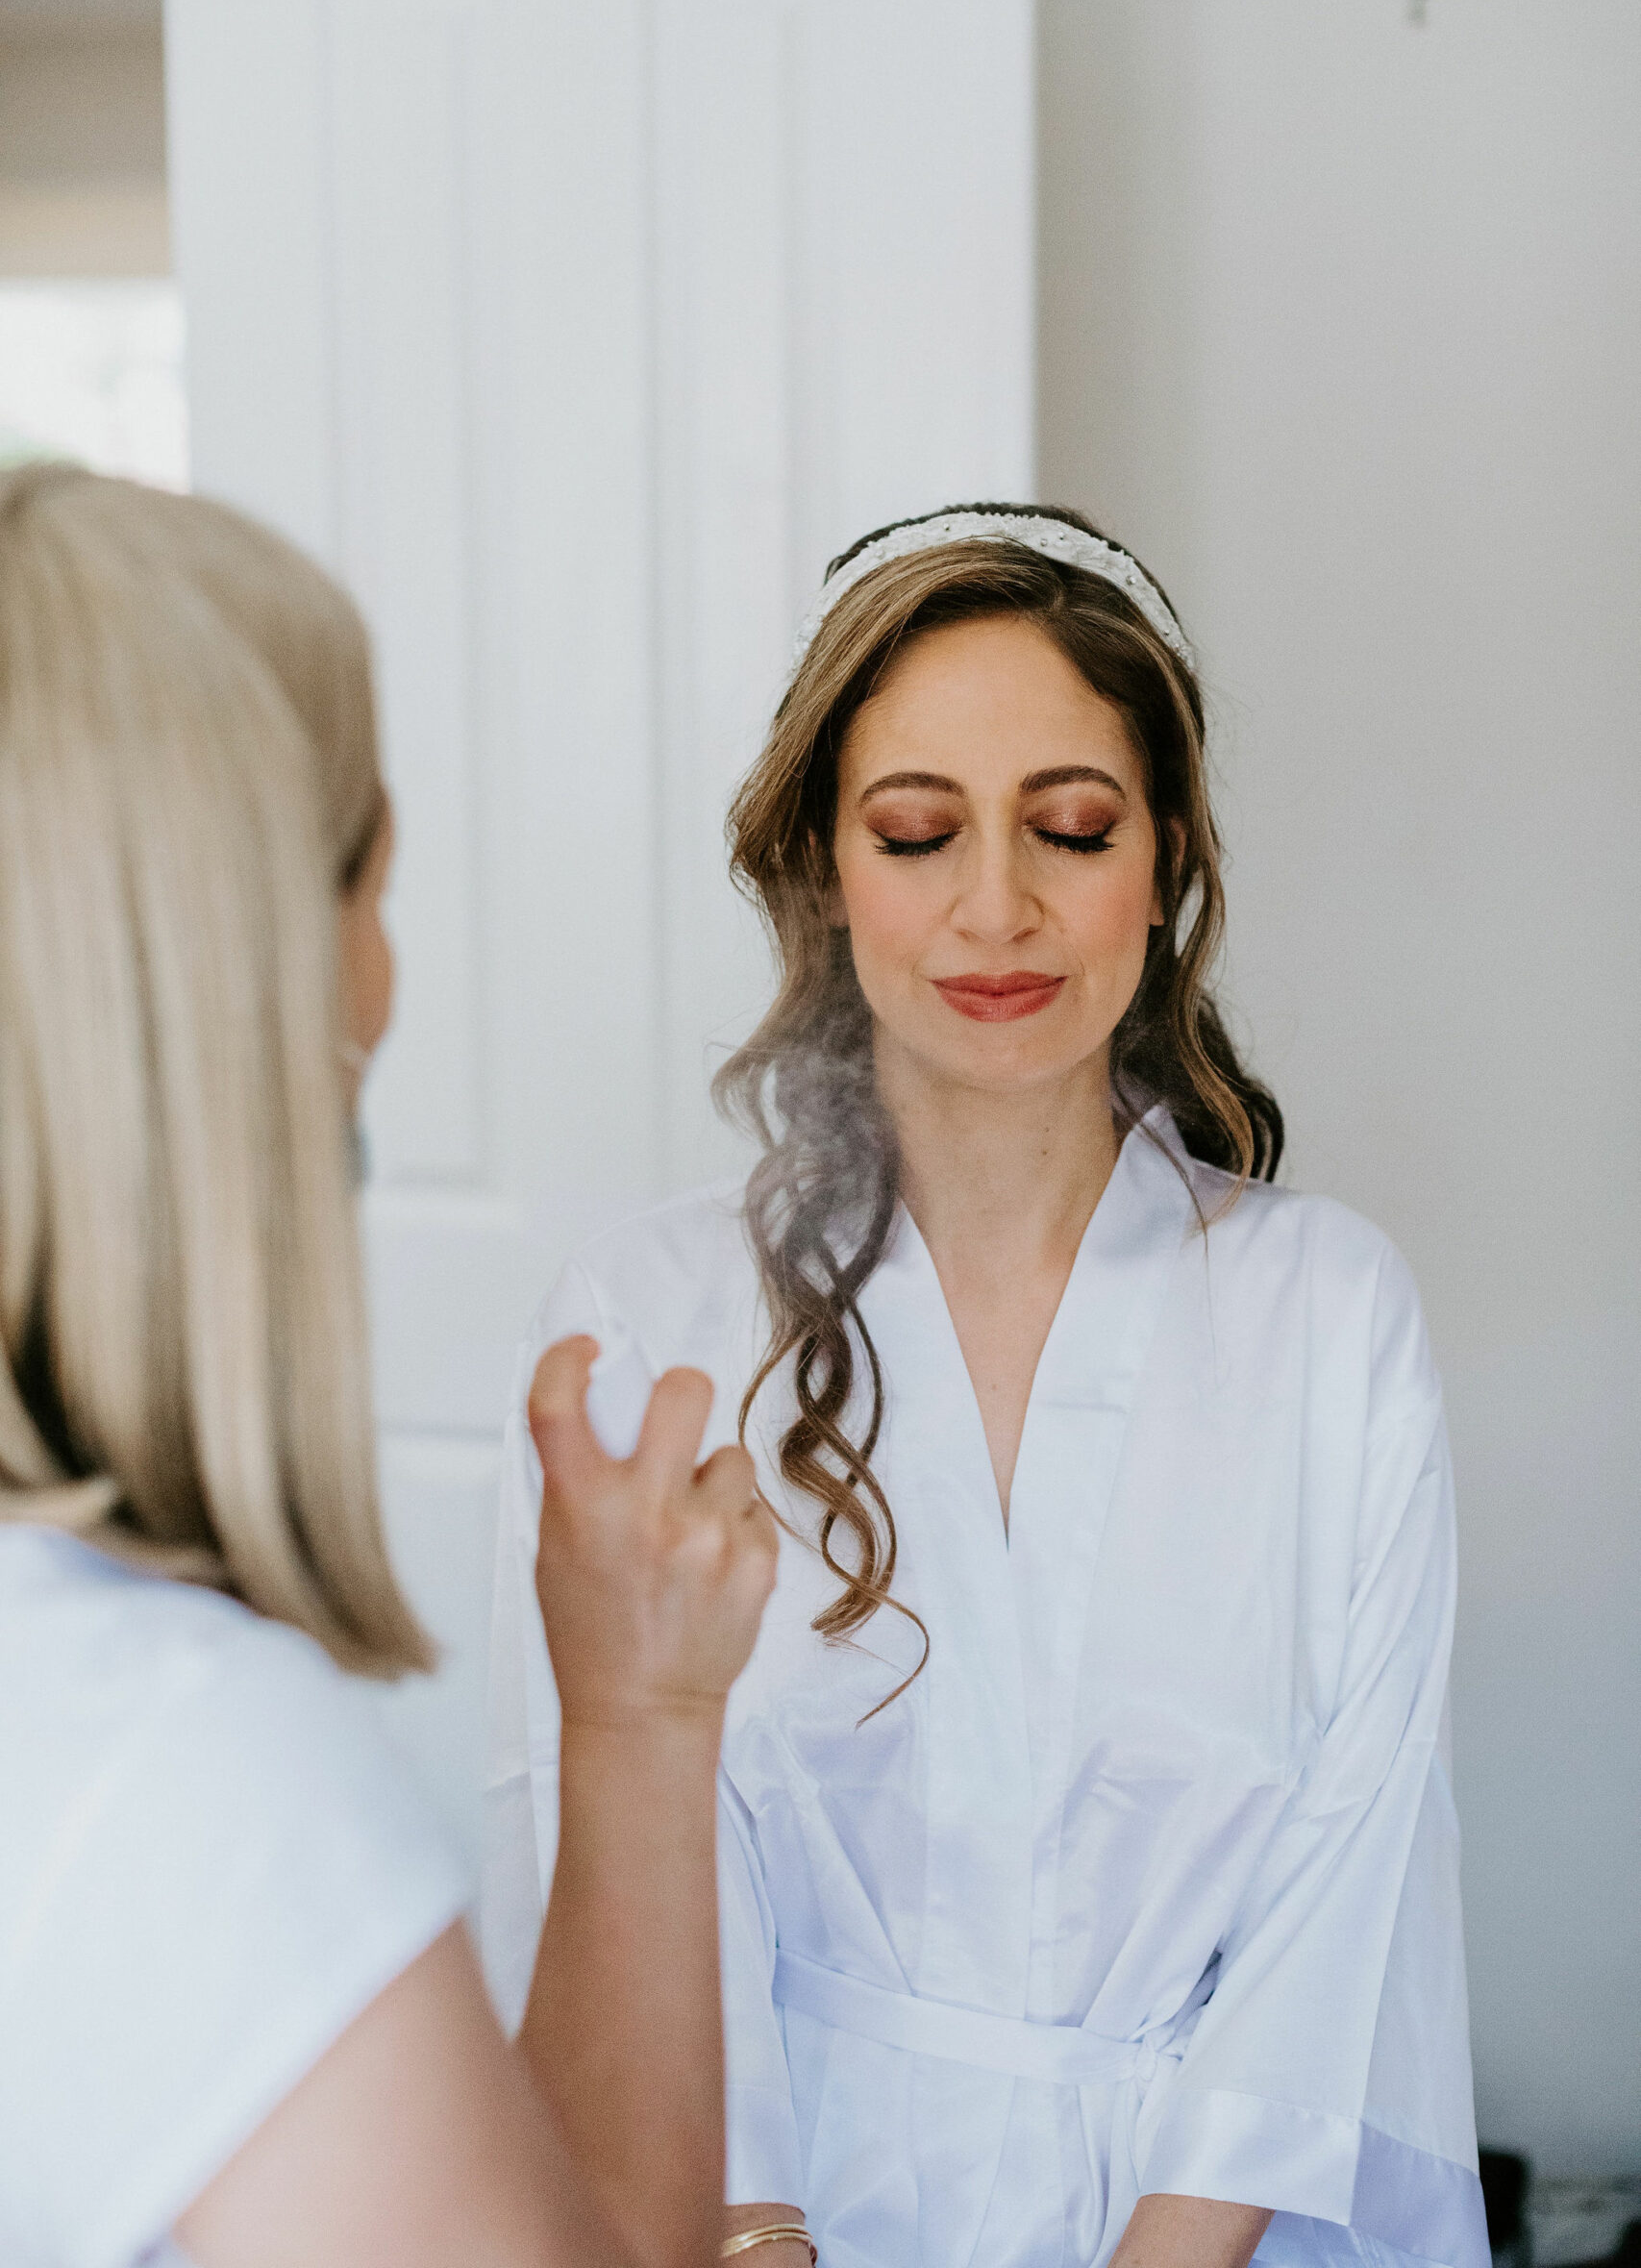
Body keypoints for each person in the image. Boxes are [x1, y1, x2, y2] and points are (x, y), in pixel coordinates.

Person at [483, 505, 1486, 2268]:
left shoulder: (1327, 1316)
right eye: (919, 831)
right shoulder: (653, 1323)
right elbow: (607, 1842)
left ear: (1163, 858)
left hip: (1213, 2231)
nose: (997, 908)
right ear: (823, 866)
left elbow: (1351, 1871)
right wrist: (756, 2232)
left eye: (1072, 828)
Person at [0, 462, 778, 2268]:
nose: (389, 985)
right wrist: (648, 1724)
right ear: (247, 975)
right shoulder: (172, 1776)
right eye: (378, 883)